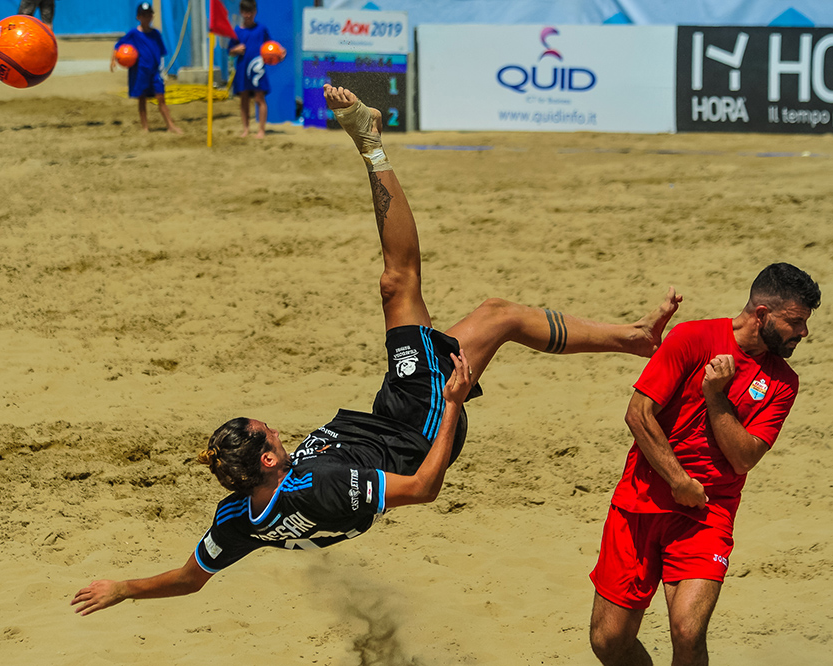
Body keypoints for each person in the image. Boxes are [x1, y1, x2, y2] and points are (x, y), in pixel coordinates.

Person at [71, 84, 682, 616]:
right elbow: (421, 489)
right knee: (399, 281)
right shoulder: (319, 487)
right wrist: (452, 405)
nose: (280, 435)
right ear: (265, 461)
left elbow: (189, 580)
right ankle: (370, 143)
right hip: (417, 427)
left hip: (387, 415)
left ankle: (634, 339)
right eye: (273, 437)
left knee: (498, 317)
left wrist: (124, 588)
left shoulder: (235, 521)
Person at [588, 262, 821, 666]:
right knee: (608, 641)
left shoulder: (784, 381)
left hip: (706, 515)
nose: (803, 332)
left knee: (688, 632)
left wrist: (716, 397)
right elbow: (638, 414)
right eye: (795, 322)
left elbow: (744, 457)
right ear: (763, 314)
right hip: (638, 504)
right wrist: (678, 480)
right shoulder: (693, 337)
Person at [110, 3, 182, 134]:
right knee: (142, 99)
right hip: (140, 72)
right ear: (138, 17)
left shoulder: (155, 34)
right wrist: (113, 60)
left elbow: (161, 53)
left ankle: (170, 125)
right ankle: (145, 127)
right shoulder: (134, 33)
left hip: (154, 72)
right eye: (144, 15)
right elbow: (118, 45)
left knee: (161, 98)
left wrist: (162, 71)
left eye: (149, 15)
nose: (147, 18)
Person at [228, 0, 272, 138]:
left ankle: (261, 130)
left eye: (250, 12)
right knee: (244, 99)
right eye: (245, 12)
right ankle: (246, 129)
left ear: (255, 12)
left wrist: (280, 51)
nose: (248, 15)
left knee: (260, 98)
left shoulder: (261, 29)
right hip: (242, 69)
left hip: (257, 69)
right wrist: (236, 49)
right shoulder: (237, 31)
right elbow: (229, 51)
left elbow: (271, 46)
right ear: (241, 12)